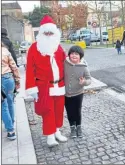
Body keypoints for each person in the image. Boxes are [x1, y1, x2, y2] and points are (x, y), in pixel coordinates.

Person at [25, 15, 67, 147]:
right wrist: (31, 88)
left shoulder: (59, 47)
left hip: (59, 84)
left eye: (51, 32)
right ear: (41, 33)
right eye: (46, 32)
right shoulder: (34, 48)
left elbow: (65, 62)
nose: (49, 35)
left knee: (58, 109)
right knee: (48, 110)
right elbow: (30, 70)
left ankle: (57, 131)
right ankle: (50, 136)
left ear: (55, 33)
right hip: (43, 86)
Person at [64, 45, 91, 138]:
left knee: (77, 111)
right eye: (72, 54)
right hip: (66, 94)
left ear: (80, 56)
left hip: (78, 93)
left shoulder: (84, 67)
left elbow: (89, 80)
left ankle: (78, 127)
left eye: (76, 54)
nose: (74, 56)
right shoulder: (65, 63)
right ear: (69, 55)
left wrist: (84, 82)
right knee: (69, 112)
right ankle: (72, 128)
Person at [1, 42, 20, 140]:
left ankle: (10, 130)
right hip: (8, 78)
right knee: (10, 102)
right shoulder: (5, 50)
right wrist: (17, 80)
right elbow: (14, 66)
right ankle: (11, 123)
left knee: (2, 105)